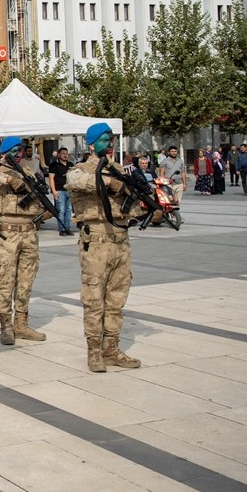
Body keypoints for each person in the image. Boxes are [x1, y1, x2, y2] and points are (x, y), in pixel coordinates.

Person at [67, 123, 146, 373]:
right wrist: (110, 182)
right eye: (103, 140)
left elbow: (131, 204)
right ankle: (94, 352)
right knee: (94, 298)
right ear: (91, 144)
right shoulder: (80, 170)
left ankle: (111, 348)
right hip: (97, 240)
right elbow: (77, 182)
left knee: (116, 298)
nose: (108, 143)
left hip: (120, 239)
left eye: (110, 139)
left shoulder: (120, 170)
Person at [0, 137, 50, 347]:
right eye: (15, 150)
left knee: (26, 280)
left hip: (29, 232)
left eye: (21, 150)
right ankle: (6, 325)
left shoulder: (29, 175)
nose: (19, 153)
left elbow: (40, 200)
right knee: (6, 279)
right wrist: (11, 180)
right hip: (7, 233)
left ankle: (21, 322)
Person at [47, 146, 74, 237]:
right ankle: (62, 228)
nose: (65, 155)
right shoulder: (54, 165)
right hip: (59, 190)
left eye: (66, 154)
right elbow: (51, 179)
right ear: (58, 155)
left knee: (69, 210)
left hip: (69, 191)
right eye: (63, 153)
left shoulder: (71, 165)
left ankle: (67, 227)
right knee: (61, 210)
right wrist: (54, 191)